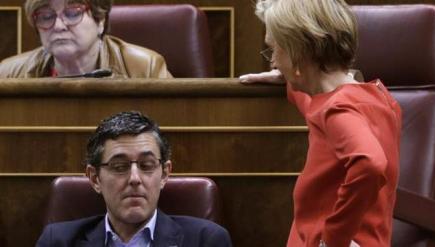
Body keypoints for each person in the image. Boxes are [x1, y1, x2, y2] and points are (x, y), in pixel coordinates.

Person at [240, 0, 402, 246]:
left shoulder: (337, 111)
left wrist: (335, 237)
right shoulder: (375, 98)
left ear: (298, 53)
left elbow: (370, 163)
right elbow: (315, 104)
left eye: (274, 50)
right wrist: (290, 79)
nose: (272, 61)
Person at [36, 111, 232, 247]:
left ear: (164, 174)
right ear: (95, 178)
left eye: (146, 166)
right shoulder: (58, 241)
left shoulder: (206, 240)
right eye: (120, 167)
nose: (135, 179)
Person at [0, 0, 172, 78]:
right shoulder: (7, 75)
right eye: (46, 17)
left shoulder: (146, 69)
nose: (59, 26)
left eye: (73, 13)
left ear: (101, 21)